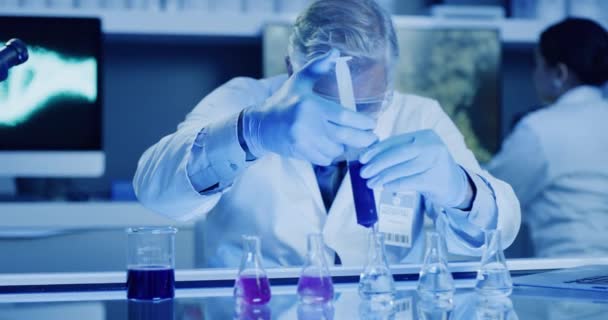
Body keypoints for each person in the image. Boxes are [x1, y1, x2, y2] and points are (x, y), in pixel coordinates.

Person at [134, 0, 520, 268]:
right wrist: (249, 132)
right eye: (328, 104)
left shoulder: (419, 117)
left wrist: (461, 190)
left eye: (369, 104)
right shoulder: (244, 100)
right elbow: (156, 191)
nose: (348, 122)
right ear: (291, 70)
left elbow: (496, 235)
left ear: (391, 75)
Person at [487, 18, 608, 258]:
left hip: (572, 275)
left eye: (538, 65)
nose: (535, 75)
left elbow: (490, 199)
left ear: (559, 73)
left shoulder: (539, 129)